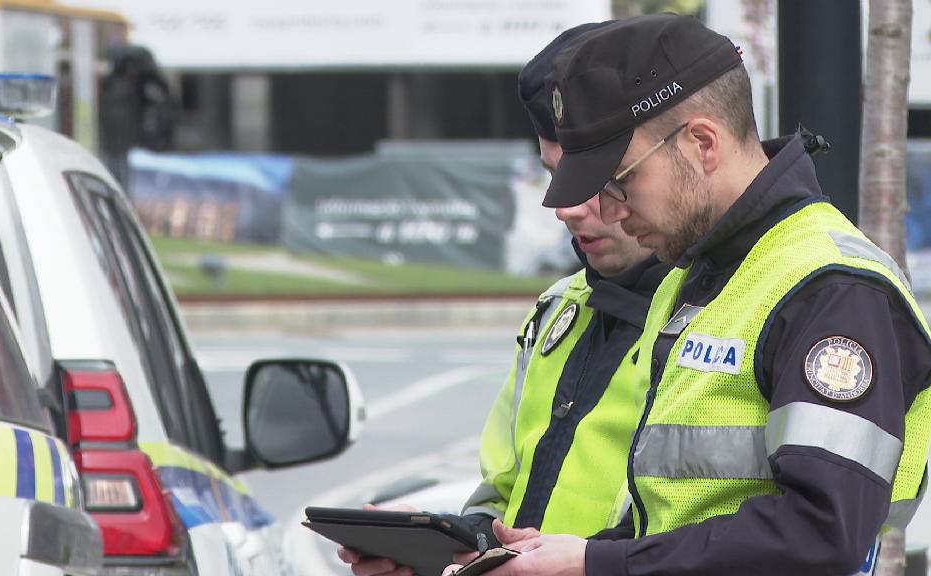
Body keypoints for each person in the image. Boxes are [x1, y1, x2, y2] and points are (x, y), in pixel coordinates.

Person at [448, 13, 931, 576]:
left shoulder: (832, 288)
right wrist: (555, 557)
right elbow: (670, 518)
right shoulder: (699, 273)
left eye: (617, 182)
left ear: (702, 143)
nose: (607, 211)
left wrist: (594, 563)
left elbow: (823, 534)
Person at [338, 22, 670, 576]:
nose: (566, 207)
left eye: (595, 178)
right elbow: (506, 500)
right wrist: (442, 548)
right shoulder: (558, 311)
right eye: (554, 176)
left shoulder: (721, 309)